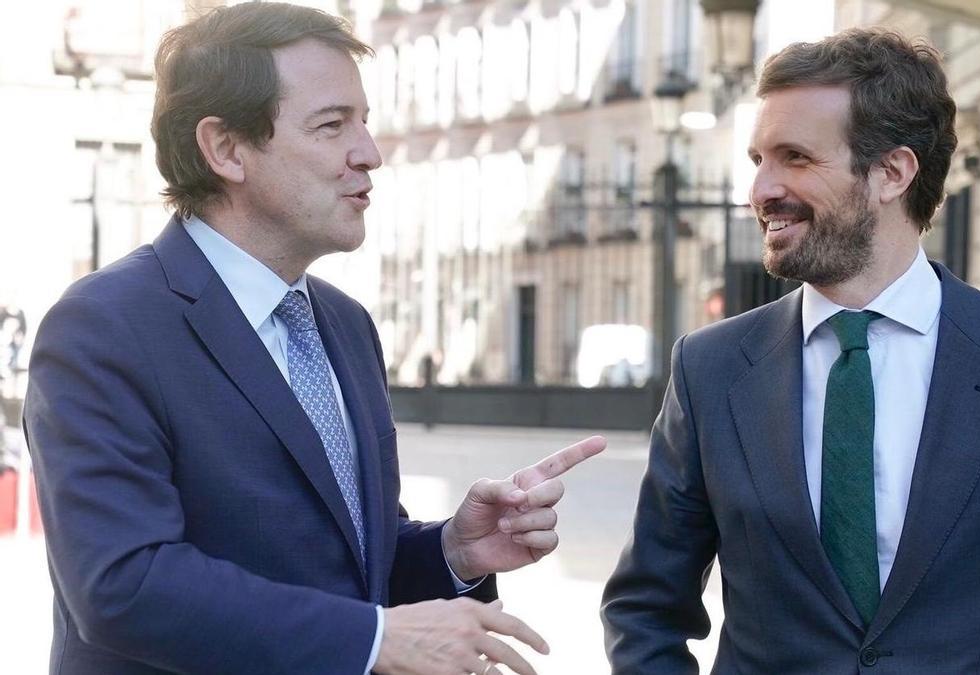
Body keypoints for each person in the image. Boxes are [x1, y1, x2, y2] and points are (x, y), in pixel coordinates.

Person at [24, 4, 604, 674]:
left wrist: (452, 551)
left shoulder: (345, 322)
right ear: (226, 149)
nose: (371, 154)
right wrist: (374, 640)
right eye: (333, 125)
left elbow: (348, 566)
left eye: (365, 122)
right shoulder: (104, 326)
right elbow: (125, 584)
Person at [601, 28, 980, 673]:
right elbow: (645, 609)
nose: (762, 190)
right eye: (759, 160)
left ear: (892, 173)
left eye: (796, 158)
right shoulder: (710, 369)